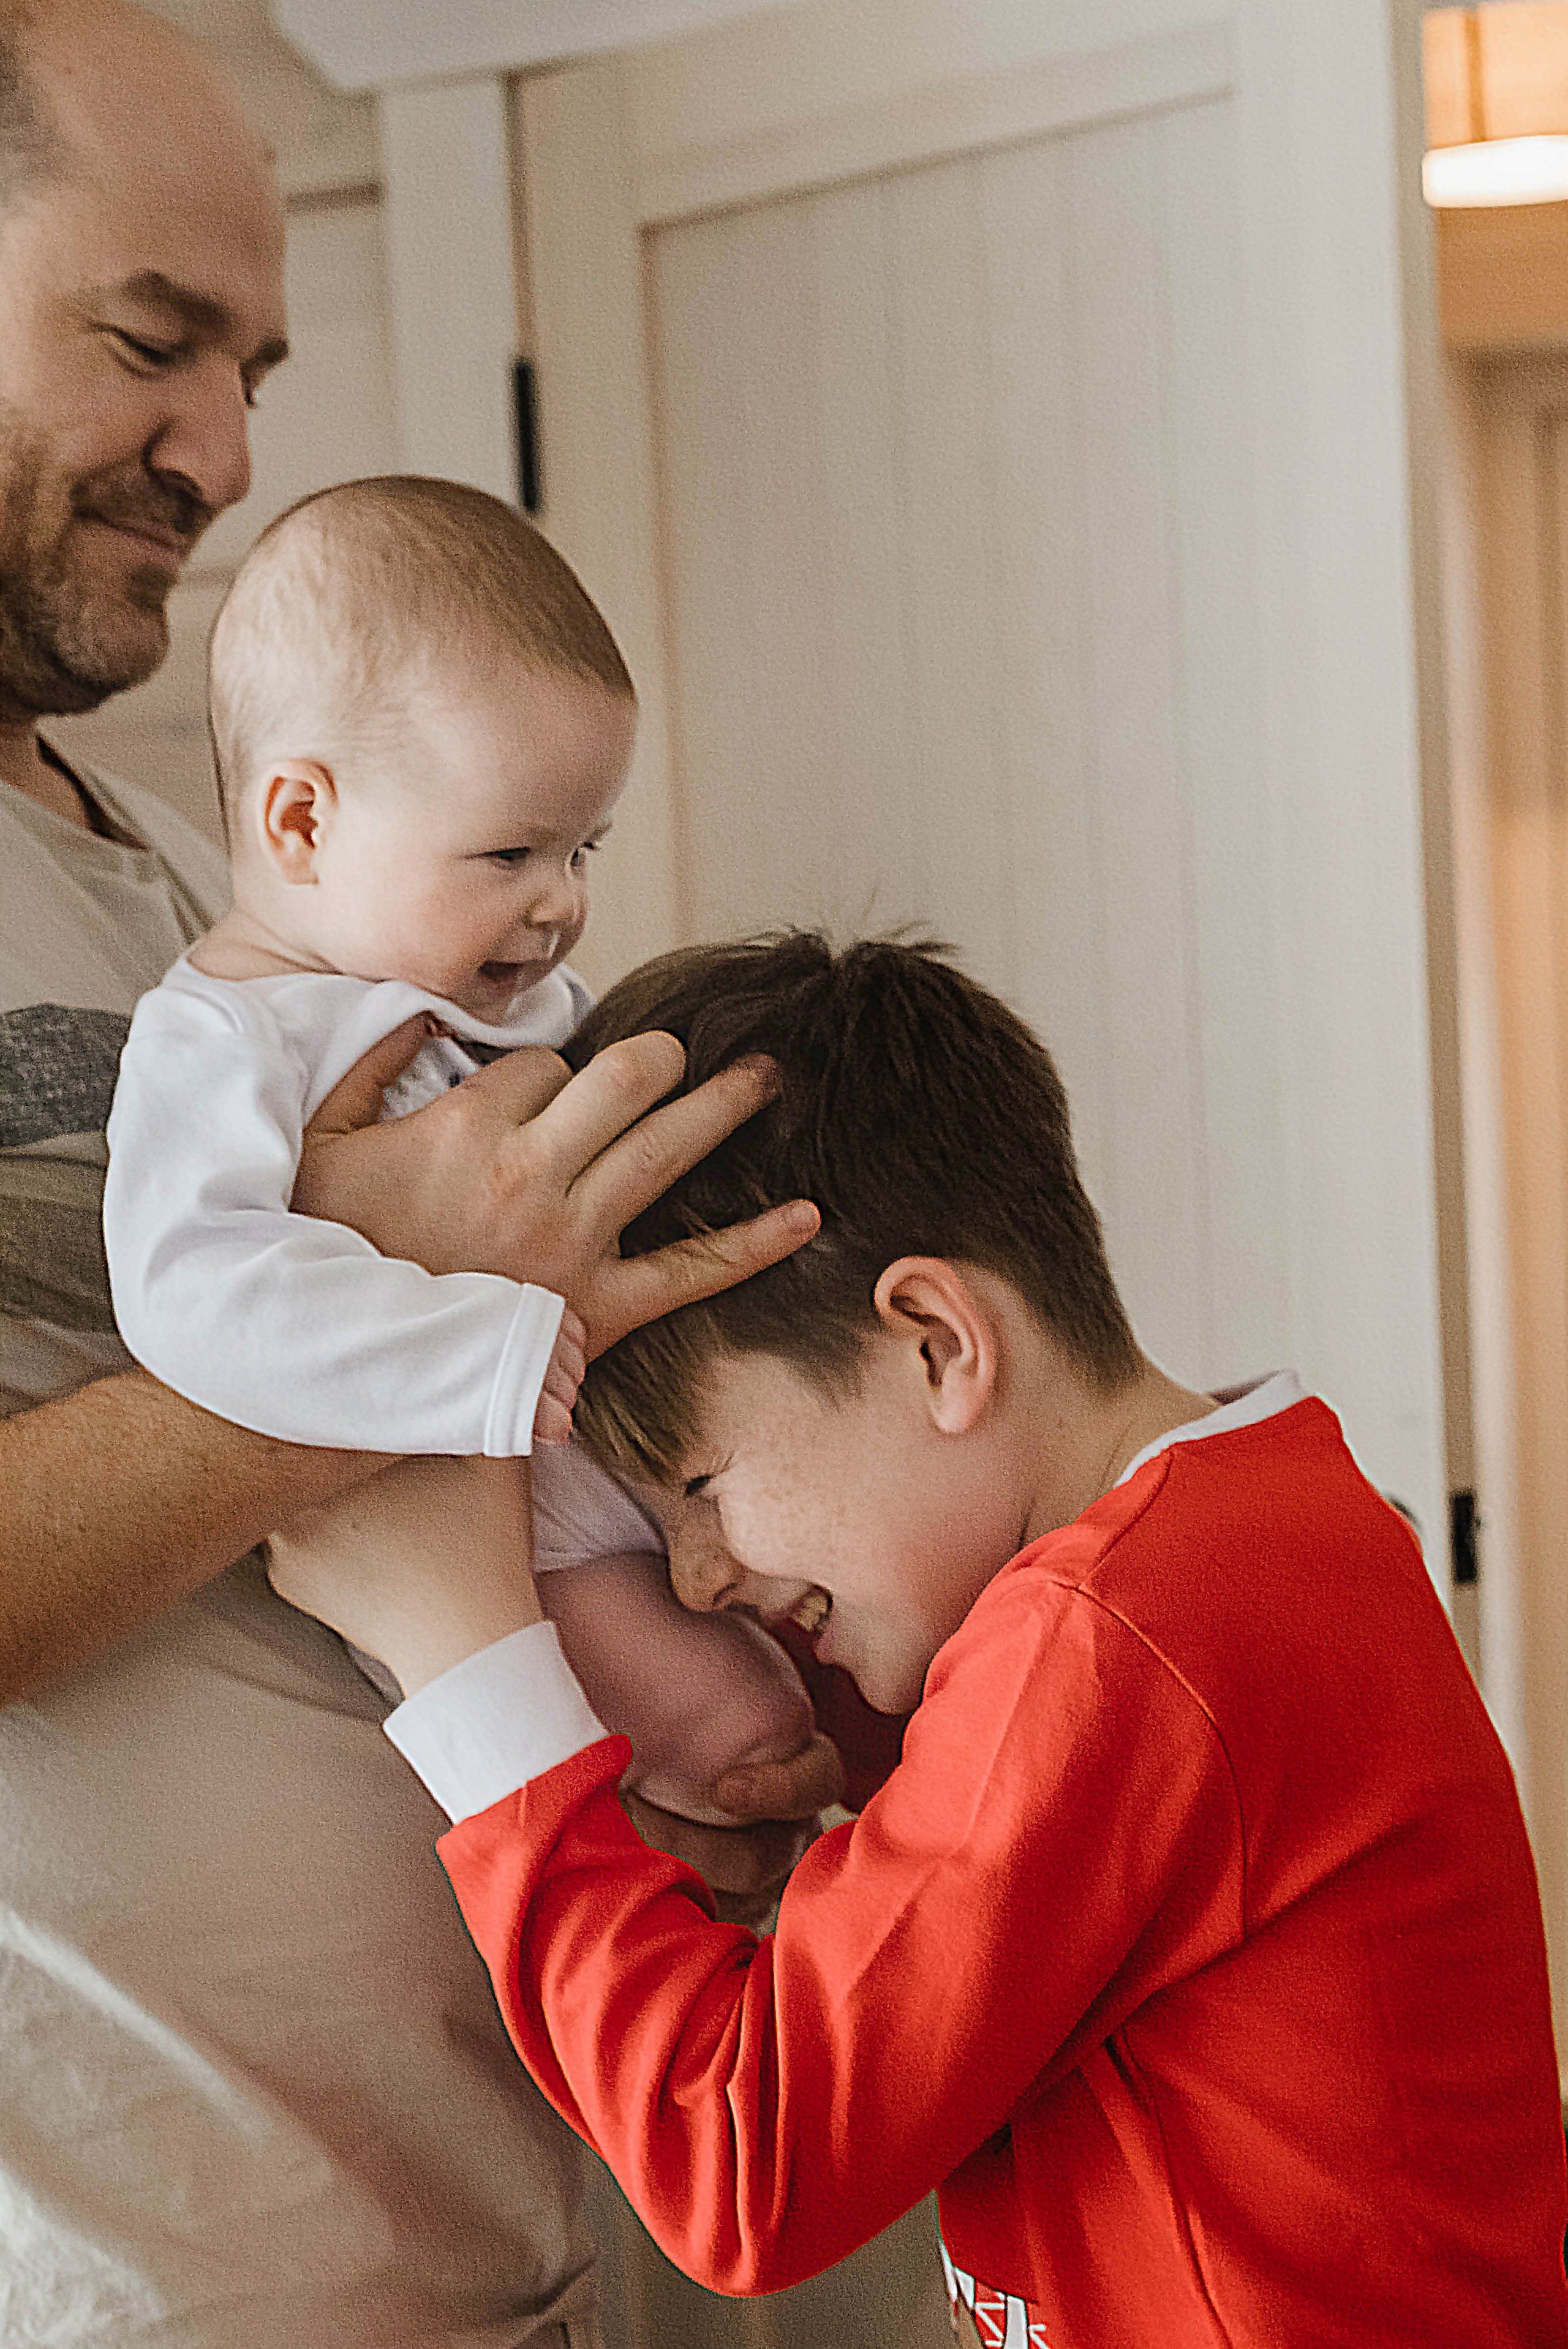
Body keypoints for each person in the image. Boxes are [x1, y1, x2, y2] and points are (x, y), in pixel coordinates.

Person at [0, 4, 835, 2339]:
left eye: (253, 367)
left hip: (498, 2255)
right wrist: (410, 1295)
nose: (225, 447)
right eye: (152, 341)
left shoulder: (202, 883)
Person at [274, 933, 1568, 2349]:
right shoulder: (1253, 1533)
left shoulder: (1113, 1634)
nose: (699, 1577)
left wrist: (469, 1661)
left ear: (937, 1343)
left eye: (701, 1486)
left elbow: (740, 2160)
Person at [104, 472, 815, 1825]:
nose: (563, 903)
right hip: (497, 1523)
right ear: (301, 823)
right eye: (508, 853)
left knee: (853, 1667)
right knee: (734, 1734)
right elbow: (194, 1298)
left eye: (583, 847)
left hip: (639, 1434)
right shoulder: (225, 1040)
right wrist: (472, 1351)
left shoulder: (509, 998)